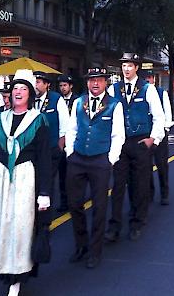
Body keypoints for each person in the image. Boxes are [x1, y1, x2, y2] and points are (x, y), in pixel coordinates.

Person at [0, 69, 51, 296]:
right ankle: (5, 268)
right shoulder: (0, 119)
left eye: (23, 89)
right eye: (15, 88)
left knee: (21, 227)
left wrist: (44, 191)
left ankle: (17, 277)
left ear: (30, 94)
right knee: (0, 224)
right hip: (0, 179)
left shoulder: (38, 121)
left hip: (25, 179)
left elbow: (45, 158)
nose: (18, 92)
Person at [65, 67, 125, 269]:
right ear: (87, 82)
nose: (95, 83)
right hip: (78, 159)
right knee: (74, 204)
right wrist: (70, 153)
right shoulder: (78, 102)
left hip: (100, 160)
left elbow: (118, 135)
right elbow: (71, 128)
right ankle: (81, 245)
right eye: (92, 80)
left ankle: (95, 250)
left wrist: (110, 160)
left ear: (106, 82)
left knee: (99, 207)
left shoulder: (114, 105)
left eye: (99, 80)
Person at [106, 54, 165, 242]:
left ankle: (137, 221)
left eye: (130, 65)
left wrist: (153, 139)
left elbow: (158, 117)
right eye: (123, 65)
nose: (126, 69)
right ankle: (114, 226)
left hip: (140, 142)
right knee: (118, 185)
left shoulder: (148, 89)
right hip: (121, 142)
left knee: (139, 184)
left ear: (136, 68)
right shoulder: (114, 89)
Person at [34, 71, 69, 214]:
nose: (35, 85)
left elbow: (65, 124)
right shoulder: (29, 99)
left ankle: (46, 215)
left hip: (52, 148)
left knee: (48, 180)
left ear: (47, 84)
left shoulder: (56, 99)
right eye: (34, 82)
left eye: (38, 82)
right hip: (34, 149)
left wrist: (60, 145)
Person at [143, 69, 174, 206]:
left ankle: (164, 193)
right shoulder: (140, 93)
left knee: (161, 165)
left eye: (149, 77)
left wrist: (164, 131)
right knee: (145, 166)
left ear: (153, 79)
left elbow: (167, 114)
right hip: (145, 134)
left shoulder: (162, 93)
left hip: (160, 135)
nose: (147, 80)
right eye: (145, 78)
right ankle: (149, 193)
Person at [56, 74, 77, 212]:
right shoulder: (56, 101)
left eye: (65, 85)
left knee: (74, 173)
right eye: (61, 86)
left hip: (74, 140)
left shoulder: (77, 100)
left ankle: (75, 200)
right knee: (62, 173)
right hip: (61, 140)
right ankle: (64, 201)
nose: (63, 88)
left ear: (70, 86)